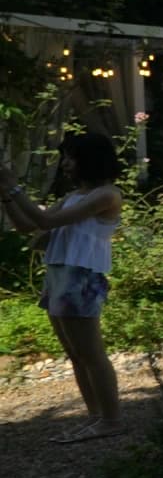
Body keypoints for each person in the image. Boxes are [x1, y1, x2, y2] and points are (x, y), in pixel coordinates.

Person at [0, 134, 125, 443]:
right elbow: (29, 226)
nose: (66, 164)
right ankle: (95, 416)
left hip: (81, 276)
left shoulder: (107, 195)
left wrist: (13, 185)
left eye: (70, 157)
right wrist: (6, 195)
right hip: (59, 274)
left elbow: (45, 219)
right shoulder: (74, 196)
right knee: (75, 354)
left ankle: (111, 420)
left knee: (91, 352)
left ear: (89, 159)